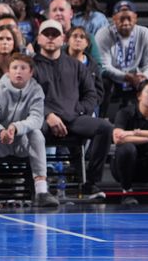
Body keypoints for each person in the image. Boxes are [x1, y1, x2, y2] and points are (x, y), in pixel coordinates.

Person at [33, 19, 112, 199]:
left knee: (105, 128)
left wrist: (75, 112)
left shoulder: (76, 66)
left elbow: (91, 95)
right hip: (42, 121)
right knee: (33, 132)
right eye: (47, 34)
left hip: (73, 119)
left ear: (63, 39)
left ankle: (91, 184)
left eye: (55, 34)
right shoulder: (31, 66)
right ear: (39, 39)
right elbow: (27, 97)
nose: (51, 38)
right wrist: (48, 115)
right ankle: (40, 186)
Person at [0, 53, 59, 208]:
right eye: (14, 68)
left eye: (23, 68)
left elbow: (37, 119)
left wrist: (16, 127)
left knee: (37, 134)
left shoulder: (36, 90)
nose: (18, 71)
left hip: (23, 143)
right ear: (8, 71)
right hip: (1, 142)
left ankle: (41, 191)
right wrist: (0, 132)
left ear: (31, 72)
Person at [112, 79, 148, 206]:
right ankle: (126, 192)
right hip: (125, 168)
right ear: (139, 95)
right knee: (127, 148)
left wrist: (133, 133)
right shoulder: (125, 112)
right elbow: (118, 138)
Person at [94, 1, 148, 105]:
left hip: (139, 77)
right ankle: (100, 117)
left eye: (129, 18)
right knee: (102, 81)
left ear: (135, 18)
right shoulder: (104, 34)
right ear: (114, 19)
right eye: (121, 19)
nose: (125, 23)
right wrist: (126, 77)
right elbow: (104, 65)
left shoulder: (144, 33)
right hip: (114, 78)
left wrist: (144, 76)